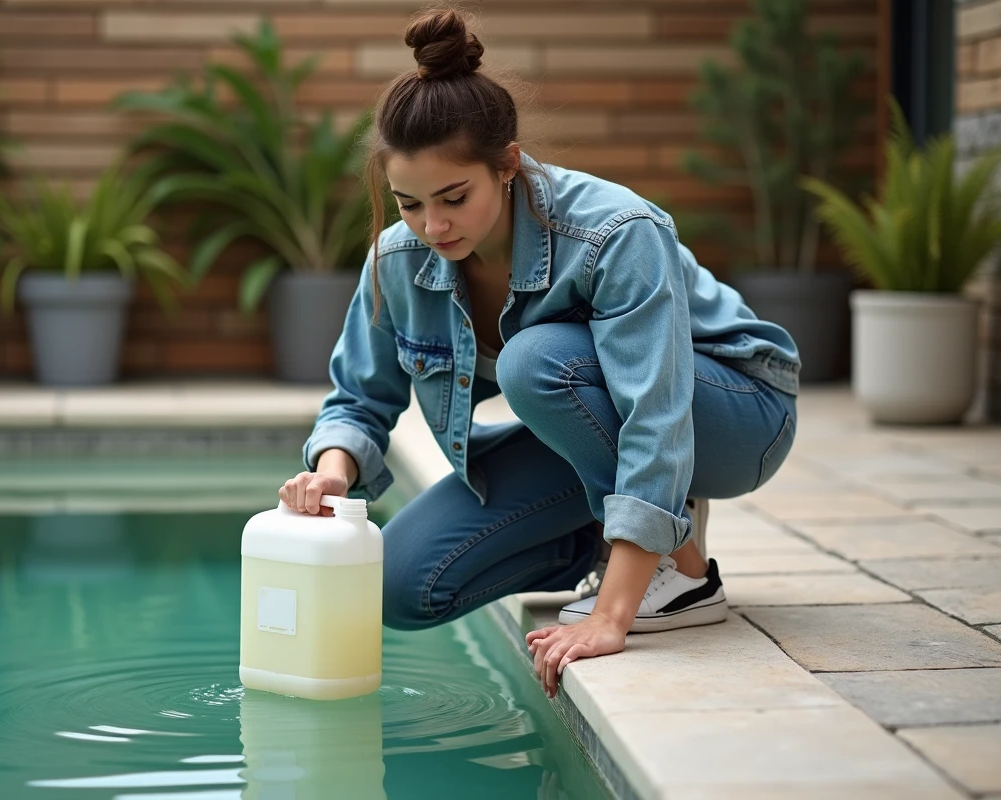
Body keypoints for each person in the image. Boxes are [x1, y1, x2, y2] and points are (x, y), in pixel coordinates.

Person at [277, 8, 799, 699]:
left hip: (737, 412)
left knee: (535, 361)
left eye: (454, 198)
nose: (432, 226)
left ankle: (681, 574)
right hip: (600, 422)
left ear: (508, 165)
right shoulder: (401, 260)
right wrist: (334, 472)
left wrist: (611, 616)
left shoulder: (615, 230)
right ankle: (609, 538)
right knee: (401, 586)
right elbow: (359, 397)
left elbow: (656, 411)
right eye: (408, 204)